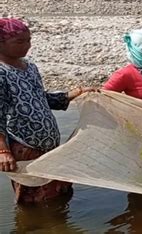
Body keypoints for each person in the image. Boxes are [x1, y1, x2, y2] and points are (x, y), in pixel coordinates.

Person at [0, 18, 96, 204]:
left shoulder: (29, 67)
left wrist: (73, 94)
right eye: (19, 42)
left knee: (59, 192)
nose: (27, 46)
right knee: (34, 198)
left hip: (49, 144)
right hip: (24, 146)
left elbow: (41, 98)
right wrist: (3, 151)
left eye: (29, 40)